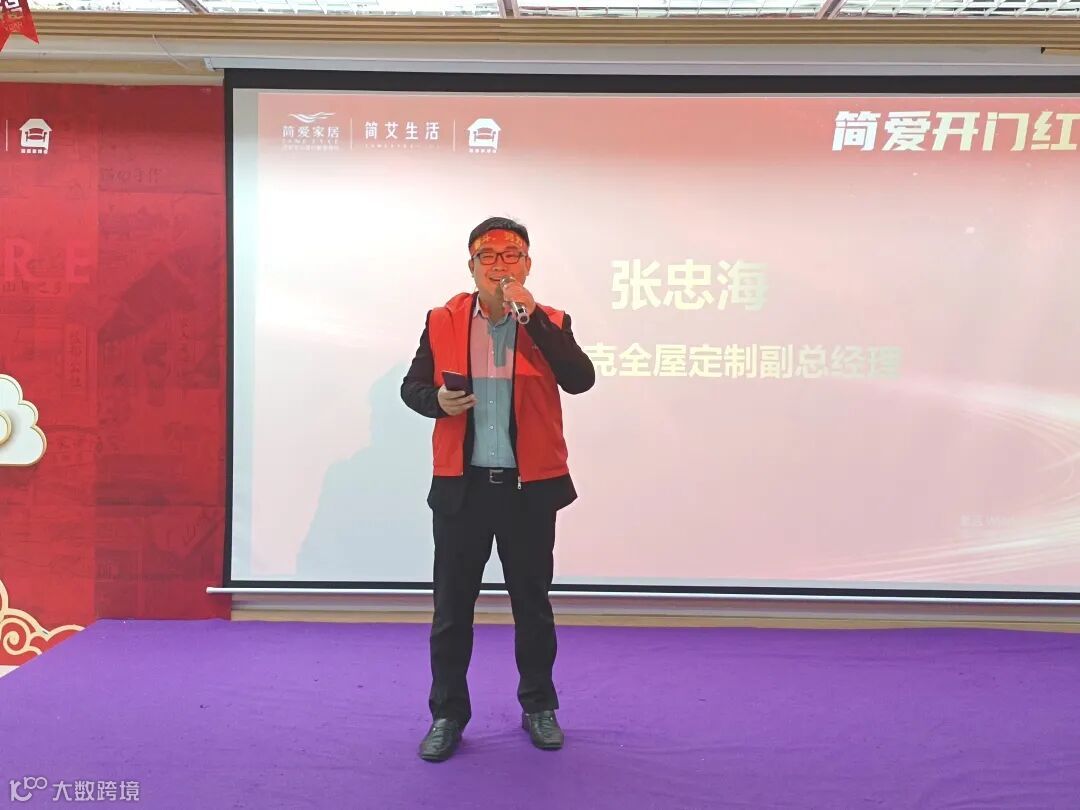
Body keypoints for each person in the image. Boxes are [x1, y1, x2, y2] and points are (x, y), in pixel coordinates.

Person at [400, 216, 596, 762]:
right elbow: (412, 387)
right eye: (488, 256)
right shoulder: (442, 320)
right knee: (451, 610)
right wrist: (436, 402)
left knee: (532, 606)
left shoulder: (549, 320)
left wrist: (533, 319)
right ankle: (447, 714)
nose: (500, 265)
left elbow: (579, 379)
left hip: (527, 491)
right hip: (462, 490)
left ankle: (539, 706)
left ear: (528, 265)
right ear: (471, 266)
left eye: (512, 256)